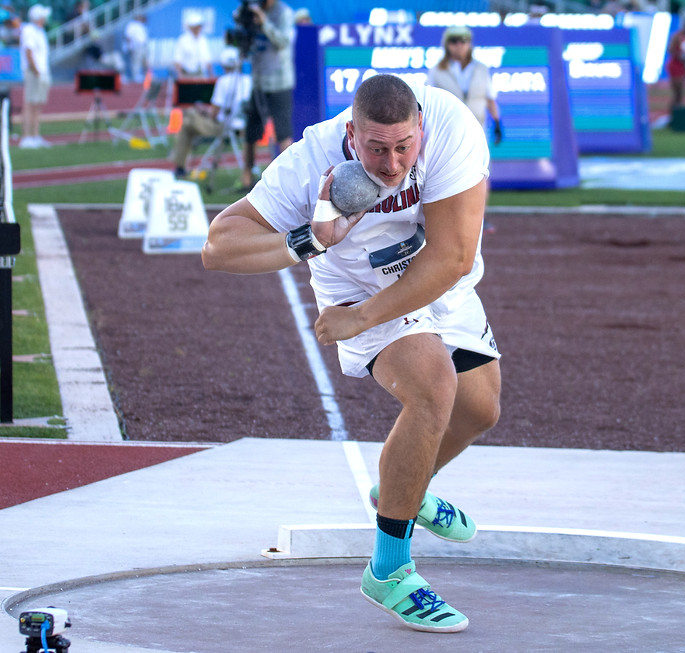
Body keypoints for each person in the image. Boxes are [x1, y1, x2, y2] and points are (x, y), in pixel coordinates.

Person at [202, 73, 501, 633]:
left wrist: (358, 323)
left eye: (404, 146)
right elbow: (219, 247)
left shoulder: (453, 125)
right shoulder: (310, 157)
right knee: (433, 389)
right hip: (356, 286)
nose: (392, 165)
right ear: (350, 134)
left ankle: (401, 490)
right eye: (376, 148)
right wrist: (308, 240)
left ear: (420, 126)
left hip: (437, 280)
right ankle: (388, 571)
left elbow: (454, 257)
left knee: (480, 411)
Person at [238, 0, 295, 191]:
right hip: (258, 82)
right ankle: (247, 178)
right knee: (251, 131)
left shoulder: (283, 12)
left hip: (279, 82)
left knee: (283, 133)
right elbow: (244, 39)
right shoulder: (252, 10)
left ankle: (290, 182)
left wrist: (264, 22)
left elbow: (283, 41)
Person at [170, 47, 252, 178]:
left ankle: (179, 166)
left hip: (224, 127)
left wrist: (204, 111)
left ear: (224, 65)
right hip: (245, 126)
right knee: (188, 122)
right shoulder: (248, 80)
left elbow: (214, 113)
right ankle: (180, 164)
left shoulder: (223, 81)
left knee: (188, 119)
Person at [426, 25, 502, 146]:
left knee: (479, 164)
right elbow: (428, 103)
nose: (459, 45)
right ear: (447, 45)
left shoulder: (481, 69)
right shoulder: (436, 71)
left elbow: (489, 98)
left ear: (469, 44)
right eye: (454, 41)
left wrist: (497, 122)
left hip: (478, 130)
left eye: (463, 41)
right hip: (448, 133)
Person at [19, 4, 51, 149]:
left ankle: (35, 135)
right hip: (34, 72)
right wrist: (36, 71)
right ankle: (26, 136)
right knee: (29, 104)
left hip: (42, 71)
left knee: (37, 105)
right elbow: (29, 52)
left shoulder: (40, 31)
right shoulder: (28, 31)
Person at [173, 10, 212, 78]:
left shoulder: (203, 39)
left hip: (201, 76)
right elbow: (177, 60)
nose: (199, 28)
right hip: (186, 76)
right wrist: (180, 77)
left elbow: (207, 60)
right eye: (197, 26)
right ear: (191, 27)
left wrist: (211, 75)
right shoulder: (183, 40)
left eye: (200, 26)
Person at [665, 17, 685, 112]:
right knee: (677, 92)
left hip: (682, 65)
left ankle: (678, 113)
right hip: (675, 64)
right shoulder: (677, 36)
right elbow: (670, 49)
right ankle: (672, 114)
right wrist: (680, 56)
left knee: (680, 93)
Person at [122, 13, 148, 83]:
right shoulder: (131, 25)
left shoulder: (141, 25)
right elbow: (128, 37)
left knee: (144, 61)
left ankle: (146, 76)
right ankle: (135, 76)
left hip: (143, 46)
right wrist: (129, 46)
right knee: (135, 62)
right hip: (136, 46)